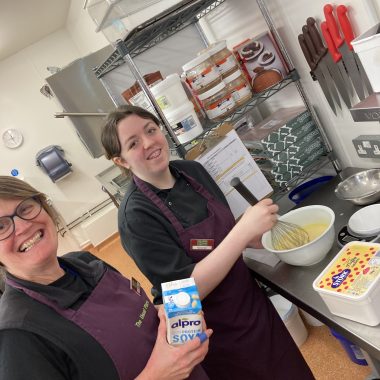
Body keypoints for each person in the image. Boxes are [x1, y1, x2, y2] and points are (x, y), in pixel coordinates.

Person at [101, 105, 315, 379]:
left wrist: (249, 237)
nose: (149, 143)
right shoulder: (136, 217)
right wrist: (240, 235)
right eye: (133, 144)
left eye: (151, 130)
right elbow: (184, 294)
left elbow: (207, 241)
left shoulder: (192, 172)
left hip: (253, 309)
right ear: (121, 161)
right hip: (218, 337)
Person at [0, 175, 213, 380]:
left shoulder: (86, 262)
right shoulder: (18, 335)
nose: (23, 226)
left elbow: (135, 316)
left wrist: (166, 315)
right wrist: (159, 375)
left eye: (25, 208)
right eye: (1, 226)